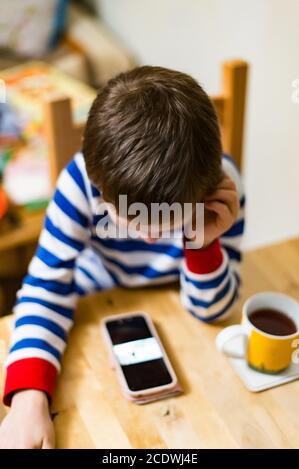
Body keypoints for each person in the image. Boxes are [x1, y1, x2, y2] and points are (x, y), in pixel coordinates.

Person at [0, 66, 244, 448]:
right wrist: (28, 399)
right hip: (96, 294)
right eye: (130, 217)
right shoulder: (80, 182)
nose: (147, 233)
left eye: (164, 221)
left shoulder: (219, 188)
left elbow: (213, 312)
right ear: (100, 188)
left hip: (179, 305)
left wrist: (201, 244)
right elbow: (45, 288)